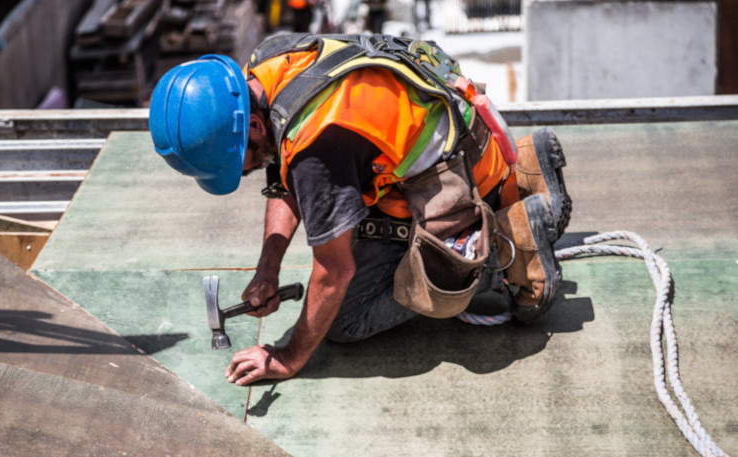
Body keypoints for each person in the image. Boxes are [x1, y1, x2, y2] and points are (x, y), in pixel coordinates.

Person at [148, 33, 572, 386]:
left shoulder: (317, 147)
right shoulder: (269, 64)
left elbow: (335, 272)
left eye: (234, 163)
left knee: (345, 320)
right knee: (339, 222)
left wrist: (289, 357)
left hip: (458, 183)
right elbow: (283, 172)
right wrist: (268, 268)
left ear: (253, 125)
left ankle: (507, 246)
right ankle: (526, 171)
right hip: (464, 139)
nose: (239, 174)